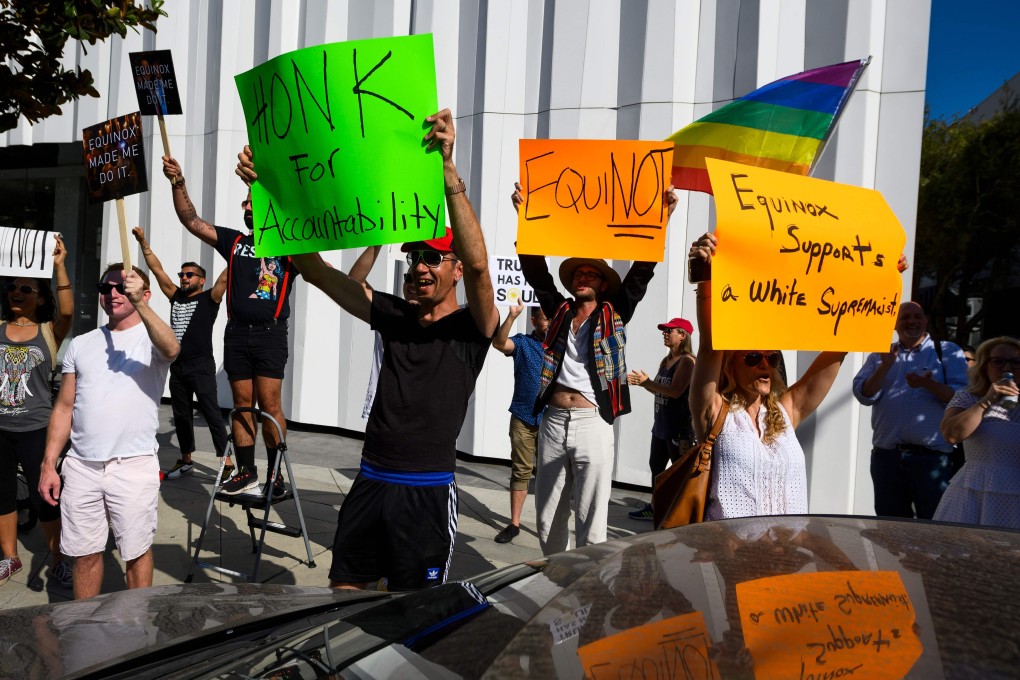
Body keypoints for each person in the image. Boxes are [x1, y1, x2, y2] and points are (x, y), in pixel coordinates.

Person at [238, 108, 499, 590]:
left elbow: (482, 266)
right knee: (343, 597)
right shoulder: (395, 313)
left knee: (412, 614)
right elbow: (317, 272)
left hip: (426, 493)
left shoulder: (472, 327)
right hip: (370, 480)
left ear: (455, 269)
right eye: (414, 256)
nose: (421, 267)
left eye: (434, 258)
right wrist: (267, 190)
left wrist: (447, 171)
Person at [512, 181, 678, 555]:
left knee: (592, 514)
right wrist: (524, 218)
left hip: (593, 421)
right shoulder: (559, 311)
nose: (583, 278)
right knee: (547, 515)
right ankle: (556, 577)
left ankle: (589, 587)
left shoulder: (615, 312)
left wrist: (663, 219)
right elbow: (537, 272)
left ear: (603, 284)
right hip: (553, 420)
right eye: (578, 275)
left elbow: (640, 274)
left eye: (591, 274)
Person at [162, 155, 301, 498]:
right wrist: (178, 182)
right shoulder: (236, 242)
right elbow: (191, 220)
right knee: (241, 405)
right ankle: (246, 472)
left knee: (269, 405)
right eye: (245, 201)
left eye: (254, 201)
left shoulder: (290, 247)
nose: (248, 206)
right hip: (236, 332)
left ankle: (275, 474)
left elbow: (324, 267)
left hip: (270, 333)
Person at [38, 264, 179, 600]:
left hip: (132, 465)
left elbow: (172, 349)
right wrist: (49, 464)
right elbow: (64, 407)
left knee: (136, 551)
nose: (113, 293)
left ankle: (136, 629)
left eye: (123, 287)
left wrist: (142, 306)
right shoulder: (82, 344)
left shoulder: (152, 338)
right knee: (84, 555)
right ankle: (84, 632)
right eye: (107, 287)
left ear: (144, 294)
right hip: (82, 466)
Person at [687, 232, 849, 520]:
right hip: (731, 555)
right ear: (730, 366)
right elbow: (710, 345)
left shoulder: (785, 412)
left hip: (787, 555)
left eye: (770, 358)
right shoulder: (714, 410)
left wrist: (877, 281)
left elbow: (838, 350)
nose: (765, 365)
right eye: (752, 357)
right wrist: (707, 279)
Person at [0, 235, 73, 588]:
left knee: (45, 496)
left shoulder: (49, 332)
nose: (17, 292)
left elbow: (69, 311)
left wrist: (59, 266)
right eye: (12, 287)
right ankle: (9, 557)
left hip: (35, 427)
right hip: (0, 428)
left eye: (26, 288)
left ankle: (59, 557)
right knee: (1, 494)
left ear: (41, 297)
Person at [132, 227, 232, 481]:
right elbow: (157, 271)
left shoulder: (211, 299)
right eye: (182, 274)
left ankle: (227, 463)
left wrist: (245, 247)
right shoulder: (176, 297)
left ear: (202, 280)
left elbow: (226, 276)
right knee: (181, 415)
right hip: (177, 366)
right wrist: (144, 242)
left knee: (211, 414)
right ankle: (186, 459)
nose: (184, 278)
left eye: (190, 274)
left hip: (201, 366)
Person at [852, 301, 968, 519]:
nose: (911, 321)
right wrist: (884, 368)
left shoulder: (947, 352)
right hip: (887, 459)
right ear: (894, 325)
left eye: (917, 316)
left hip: (931, 460)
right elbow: (863, 395)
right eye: (905, 317)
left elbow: (962, 400)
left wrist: (929, 385)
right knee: (889, 529)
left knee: (934, 529)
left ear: (925, 321)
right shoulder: (880, 355)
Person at [933, 337, 1020, 529]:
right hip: (974, 493)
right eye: (998, 362)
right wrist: (987, 401)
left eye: (1016, 362)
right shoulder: (967, 397)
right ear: (984, 366)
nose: (1008, 368)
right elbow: (952, 435)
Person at [626, 316, 696, 520]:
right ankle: (656, 507)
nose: (664, 334)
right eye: (664, 331)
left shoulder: (688, 361)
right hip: (661, 425)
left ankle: (679, 512)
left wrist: (647, 382)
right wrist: (644, 384)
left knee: (678, 472)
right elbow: (661, 391)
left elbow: (674, 391)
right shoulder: (667, 360)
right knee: (656, 467)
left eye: (669, 330)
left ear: (682, 335)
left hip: (679, 429)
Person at [490, 303, 549, 544]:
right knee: (521, 470)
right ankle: (514, 524)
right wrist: (512, 316)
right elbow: (499, 343)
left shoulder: (564, 347)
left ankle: (549, 524)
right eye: (546, 319)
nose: (551, 323)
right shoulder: (524, 343)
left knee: (552, 474)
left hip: (552, 419)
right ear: (534, 321)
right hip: (524, 417)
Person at [362, 268, 417, 420]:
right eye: (408, 277)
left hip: (417, 415)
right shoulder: (388, 310)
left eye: (420, 278)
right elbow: (356, 281)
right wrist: (377, 244)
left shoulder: (442, 321)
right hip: (382, 408)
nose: (412, 283)